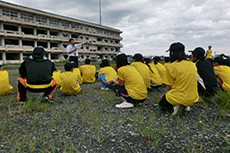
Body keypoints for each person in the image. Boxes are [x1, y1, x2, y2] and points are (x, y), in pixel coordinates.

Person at [159, 42, 199, 116]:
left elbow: (170, 86)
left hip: (179, 97)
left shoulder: (171, 66)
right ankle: (185, 105)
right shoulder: (192, 65)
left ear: (172, 53)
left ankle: (176, 106)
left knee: (162, 103)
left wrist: (166, 96)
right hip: (193, 98)